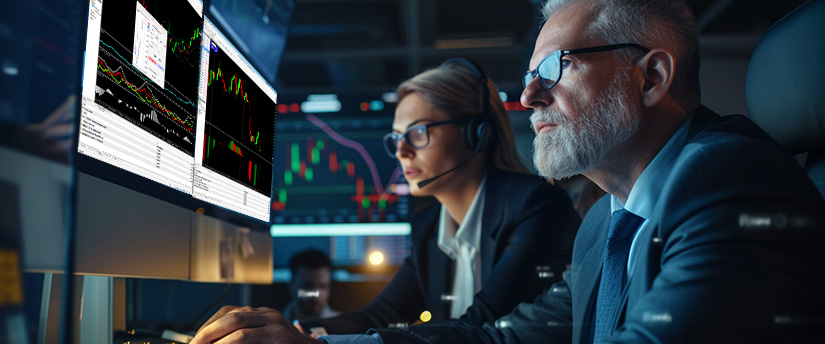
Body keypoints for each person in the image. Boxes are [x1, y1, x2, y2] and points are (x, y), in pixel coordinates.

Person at [190, 58, 582, 343]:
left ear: (477, 134)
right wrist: (293, 332)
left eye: (418, 133)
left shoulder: (539, 206)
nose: (401, 152)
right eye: (396, 139)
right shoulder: (429, 226)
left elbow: (480, 325)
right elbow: (383, 315)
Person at [281, 249, 340, 323]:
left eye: (322, 286)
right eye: (308, 286)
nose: (316, 294)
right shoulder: (270, 326)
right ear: (291, 286)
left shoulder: (345, 329)